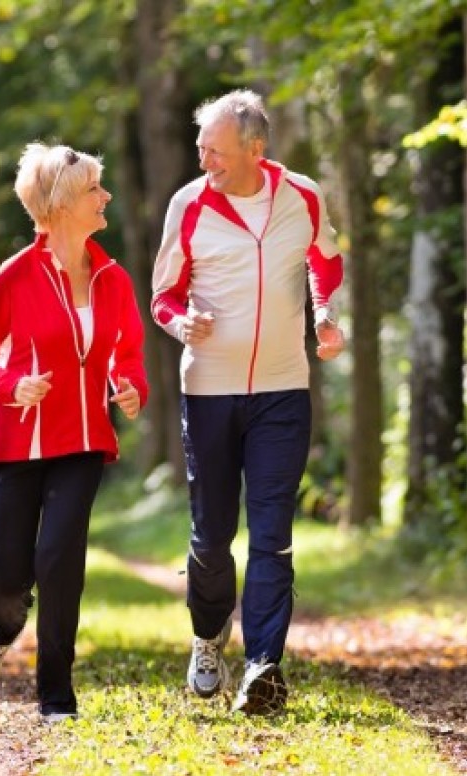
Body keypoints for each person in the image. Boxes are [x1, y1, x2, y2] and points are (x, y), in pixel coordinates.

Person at [151, 90, 346, 715]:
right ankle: (209, 636)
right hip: (210, 390)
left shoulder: (302, 195)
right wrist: (182, 323)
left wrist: (325, 314)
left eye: (215, 150)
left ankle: (263, 665)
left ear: (254, 150)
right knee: (212, 538)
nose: (203, 159)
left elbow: (325, 260)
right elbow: (162, 296)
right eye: (200, 147)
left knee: (272, 533)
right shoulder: (189, 204)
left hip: (283, 391)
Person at [0, 142, 148, 725]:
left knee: (60, 561)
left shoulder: (113, 278)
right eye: (94, 188)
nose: (106, 196)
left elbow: (128, 353)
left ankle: (56, 697)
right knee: (8, 582)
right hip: (17, 443)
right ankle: (2, 631)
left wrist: (130, 388)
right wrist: (12, 386)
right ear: (63, 204)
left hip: (84, 440)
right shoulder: (16, 276)